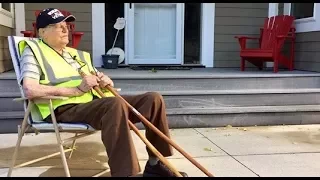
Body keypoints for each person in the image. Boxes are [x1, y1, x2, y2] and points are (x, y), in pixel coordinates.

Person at [18, 8, 188, 177]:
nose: (65, 29)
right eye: (58, 26)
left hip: (95, 104)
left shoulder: (75, 54)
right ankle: (125, 173)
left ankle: (155, 164)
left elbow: (92, 80)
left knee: (153, 99)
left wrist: (104, 81)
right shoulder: (34, 51)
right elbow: (29, 89)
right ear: (42, 32)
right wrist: (75, 90)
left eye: (66, 25)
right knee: (114, 104)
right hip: (64, 107)